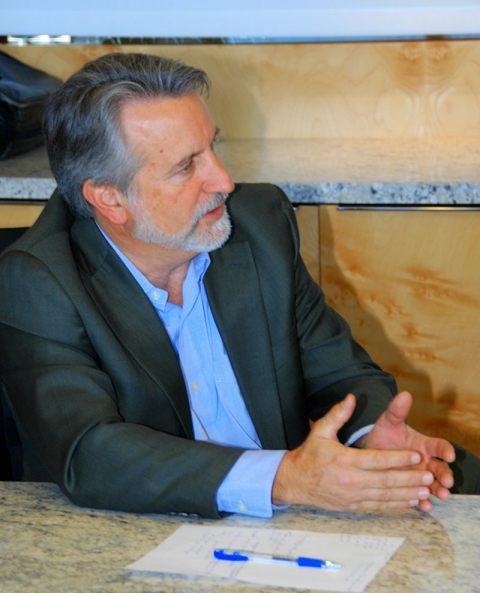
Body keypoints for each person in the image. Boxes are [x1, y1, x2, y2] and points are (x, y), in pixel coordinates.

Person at [0, 53, 478, 519]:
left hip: (286, 523)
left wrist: (372, 435)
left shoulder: (258, 225)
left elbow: (338, 373)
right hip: (141, 531)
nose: (224, 181)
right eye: (186, 167)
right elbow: (90, 452)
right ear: (109, 199)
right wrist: (283, 478)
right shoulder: (39, 280)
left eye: (213, 147)